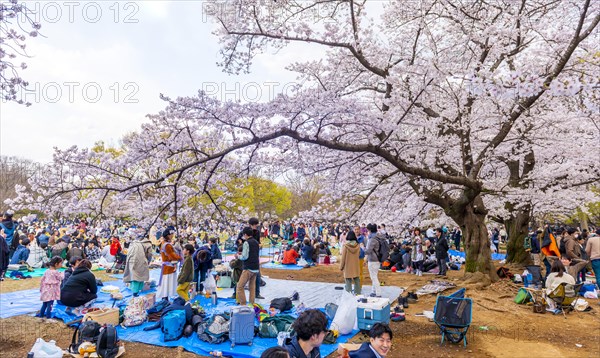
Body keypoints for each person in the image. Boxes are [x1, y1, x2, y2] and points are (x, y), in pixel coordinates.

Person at [236, 227, 260, 305]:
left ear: (245, 234)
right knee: (252, 287)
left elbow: (245, 257)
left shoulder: (246, 243)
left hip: (248, 268)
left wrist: (238, 256)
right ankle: (251, 304)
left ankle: (243, 304)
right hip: (256, 267)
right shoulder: (256, 242)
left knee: (239, 287)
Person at [157, 229, 181, 301]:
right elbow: (172, 256)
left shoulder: (164, 243)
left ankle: (165, 298)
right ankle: (165, 299)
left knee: (166, 283)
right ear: (168, 235)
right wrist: (180, 257)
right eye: (171, 235)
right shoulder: (167, 245)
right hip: (169, 266)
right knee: (167, 283)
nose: (172, 236)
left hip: (167, 266)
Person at [365, 224, 383, 297]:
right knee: (374, 275)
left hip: (373, 260)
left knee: (373, 277)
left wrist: (362, 247)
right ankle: (373, 291)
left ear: (370, 230)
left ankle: (378, 293)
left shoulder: (372, 239)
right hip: (378, 259)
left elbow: (368, 251)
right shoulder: (379, 237)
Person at [340, 230, 361, 295]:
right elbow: (359, 255)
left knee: (348, 281)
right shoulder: (358, 245)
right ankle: (357, 294)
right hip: (356, 265)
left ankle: (348, 295)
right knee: (357, 280)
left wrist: (341, 267)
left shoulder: (346, 246)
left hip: (348, 265)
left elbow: (343, 257)